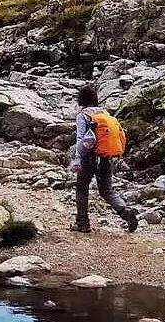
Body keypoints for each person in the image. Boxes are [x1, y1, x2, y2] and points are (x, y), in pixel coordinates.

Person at [71, 84, 138, 233]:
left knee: (82, 188)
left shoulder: (83, 116)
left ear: (81, 100)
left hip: (89, 158)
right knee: (107, 190)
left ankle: (82, 223)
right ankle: (126, 213)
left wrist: (77, 159)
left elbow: (81, 139)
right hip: (106, 157)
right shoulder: (106, 114)